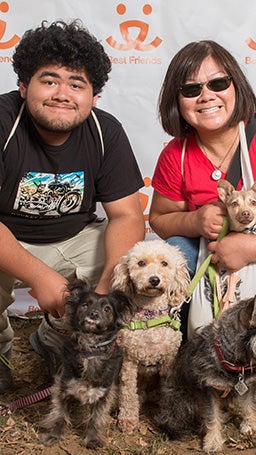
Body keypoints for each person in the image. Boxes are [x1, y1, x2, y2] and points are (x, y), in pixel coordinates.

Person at [149, 40, 256, 386]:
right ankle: (187, 340)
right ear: (177, 101)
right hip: (216, 281)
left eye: (218, 83)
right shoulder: (176, 155)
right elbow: (159, 220)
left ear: (237, 85)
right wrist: (193, 220)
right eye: (191, 89)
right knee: (176, 246)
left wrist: (247, 248)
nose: (206, 96)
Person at [0, 20, 145, 393]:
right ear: (23, 85)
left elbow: (127, 215)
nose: (63, 93)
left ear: (93, 96)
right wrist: (39, 276)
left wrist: (102, 292)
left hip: (72, 237)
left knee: (132, 264)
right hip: (7, 241)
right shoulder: (3, 122)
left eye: (77, 84)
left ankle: (54, 337)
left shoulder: (104, 131)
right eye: (49, 81)